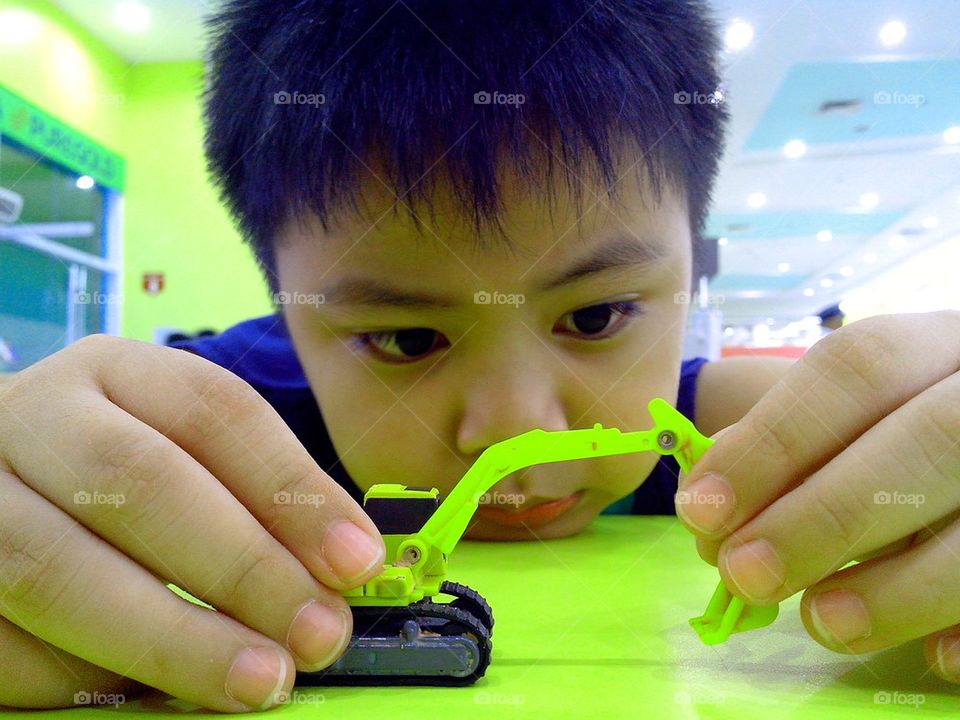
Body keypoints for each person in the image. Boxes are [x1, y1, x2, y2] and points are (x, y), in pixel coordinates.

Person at [2, 0, 959, 712]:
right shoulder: (221, 420)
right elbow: (69, 440)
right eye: (407, 339)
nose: (519, 434)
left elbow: (885, 420)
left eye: (596, 318)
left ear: (691, 274)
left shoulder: (732, 421)